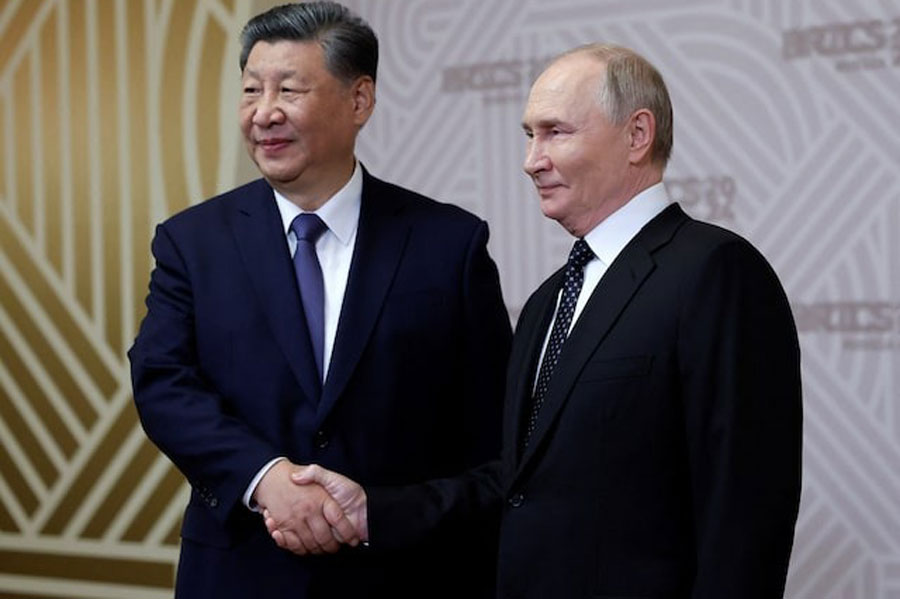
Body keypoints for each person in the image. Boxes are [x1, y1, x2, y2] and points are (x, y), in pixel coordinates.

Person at [292, 43, 803, 598]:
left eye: (555, 132)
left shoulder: (716, 272)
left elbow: (746, 510)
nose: (531, 160)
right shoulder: (546, 301)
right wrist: (374, 511)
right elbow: (518, 483)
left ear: (637, 135)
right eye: (529, 135)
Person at [128, 2, 511, 598]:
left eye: (289, 89)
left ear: (360, 100)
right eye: (251, 90)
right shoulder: (192, 242)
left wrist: (382, 513)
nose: (264, 112)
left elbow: (491, 438)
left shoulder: (449, 245)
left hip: (404, 573)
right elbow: (163, 382)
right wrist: (264, 478)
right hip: (241, 573)